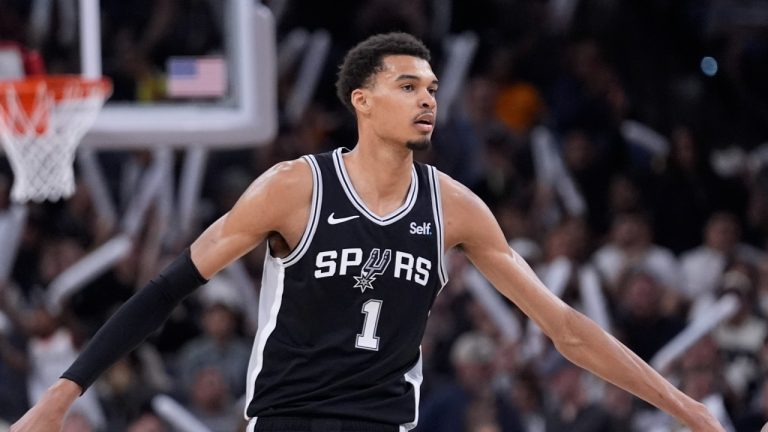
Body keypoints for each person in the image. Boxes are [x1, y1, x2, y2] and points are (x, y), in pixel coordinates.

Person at [11, 32, 725, 432]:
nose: (427, 100)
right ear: (362, 100)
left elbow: (566, 328)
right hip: (289, 422)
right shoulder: (295, 187)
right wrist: (61, 395)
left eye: (433, 89)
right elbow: (167, 289)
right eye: (408, 86)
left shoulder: (456, 207)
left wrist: (689, 410)